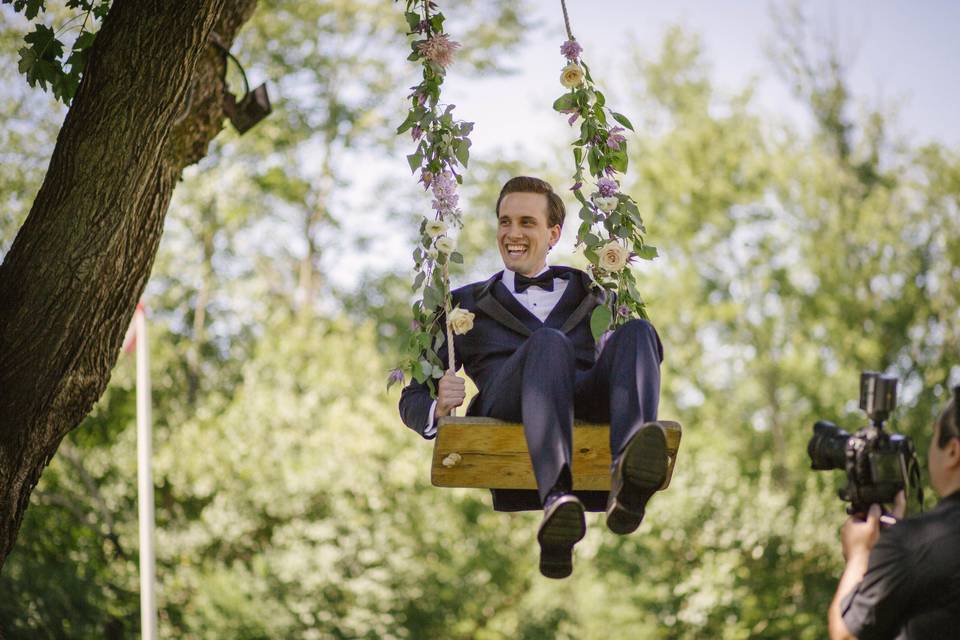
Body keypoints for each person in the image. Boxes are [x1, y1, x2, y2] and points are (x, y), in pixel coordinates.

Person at [398, 176, 667, 579]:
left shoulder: (593, 292)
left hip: (580, 397)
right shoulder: (465, 302)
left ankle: (628, 482)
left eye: (527, 222)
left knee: (641, 332)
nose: (513, 233)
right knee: (548, 342)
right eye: (505, 222)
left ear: (553, 233)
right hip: (507, 403)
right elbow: (411, 398)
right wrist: (439, 405)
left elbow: (643, 358)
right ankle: (557, 498)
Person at [829, 390, 960, 640]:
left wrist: (859, 555)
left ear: (953, 451)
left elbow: (845, 635)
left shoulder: (912, 545)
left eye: (934, 435)